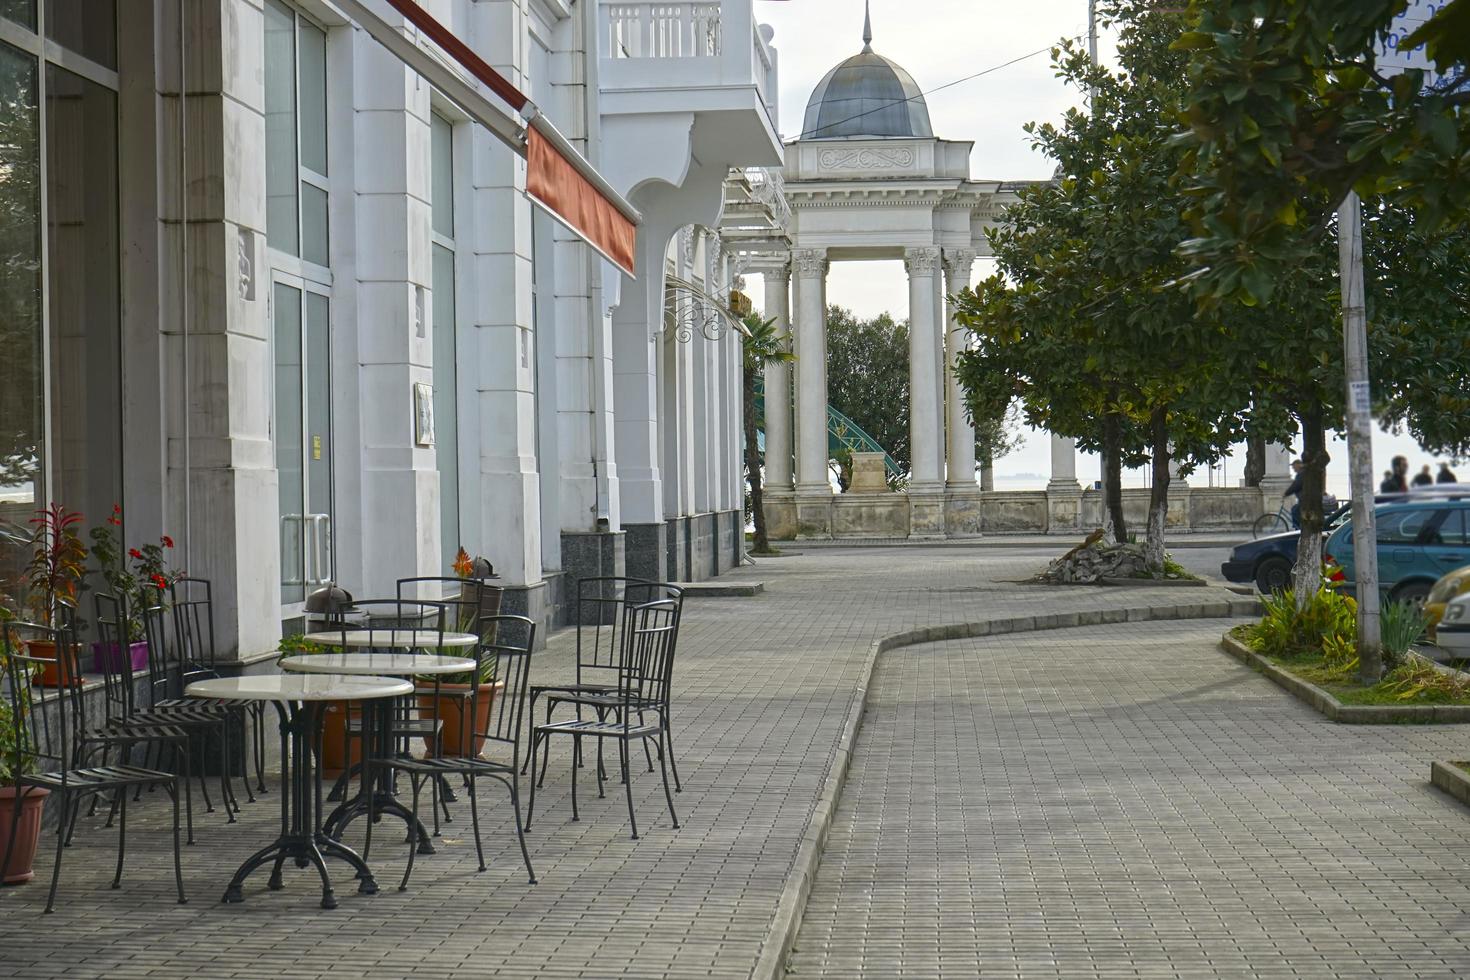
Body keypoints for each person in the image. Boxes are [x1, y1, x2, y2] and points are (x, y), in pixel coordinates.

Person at [1283, 459, 1304, 529]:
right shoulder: (1301, 473)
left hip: (1304, 499)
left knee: (1295, 510)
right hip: (1303, 498)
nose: (1293, 468)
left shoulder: (1301, 474)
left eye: (1294, 466)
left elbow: (1295, 486)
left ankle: (1298, 527)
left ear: (1298, 465)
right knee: (1295, 509)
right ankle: (1298, 526)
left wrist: (1286, 493)